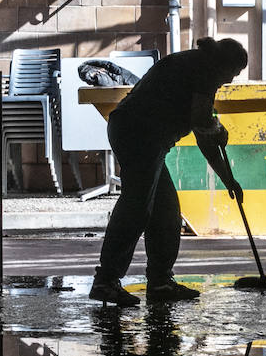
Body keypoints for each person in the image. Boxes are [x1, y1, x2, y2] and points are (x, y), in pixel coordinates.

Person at [89, 37, 248, 306]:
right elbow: (202, 121)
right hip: (141, 136)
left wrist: (227, 179)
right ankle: (106, 281)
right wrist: (218, 129)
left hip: (136, 133)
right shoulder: (205, 71)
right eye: (232, 74)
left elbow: (202, 134)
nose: (230, 82)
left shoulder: (194, 64)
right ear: (224, 65)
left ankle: (160, 283)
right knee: (136, 207)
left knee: (166, 212)